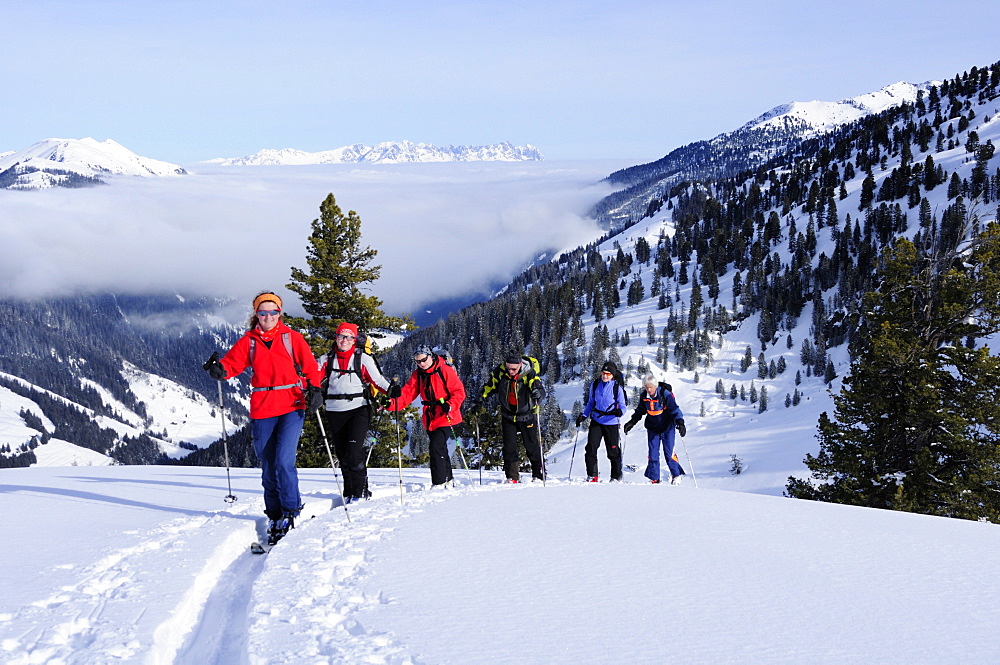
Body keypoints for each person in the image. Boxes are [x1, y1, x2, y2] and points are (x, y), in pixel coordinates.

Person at [204, 291, 323, 545]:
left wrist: (315, 389)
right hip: (262, 407)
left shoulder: (292, 338)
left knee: (283, 461)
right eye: (263, 312)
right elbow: (232, 365)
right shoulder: (249, 341)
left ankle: (291, 510)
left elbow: (311, 366)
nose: (268, 317)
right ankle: (275, 514)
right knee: (268, 464)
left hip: (292, 404)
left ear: (280, 313)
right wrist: (219, 370)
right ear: (256, 314)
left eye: (273, 312)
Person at [318, 322, 400, 503]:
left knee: (354, 452)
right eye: (341, 336)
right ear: (336, 338)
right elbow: (312, 379)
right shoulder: (326, 359)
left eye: (349, 337)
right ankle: (349, 492)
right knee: (342, 454)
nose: (344, 340)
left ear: (354, 340)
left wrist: (391, 391)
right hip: (334, 410)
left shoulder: (362, 358)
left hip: (359, 408)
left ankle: (360, 492)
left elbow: (377, 380)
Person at [388, 345, 466, 487]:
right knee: (440, 448)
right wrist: (391, 404)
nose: (422, 363)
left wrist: (450, 405)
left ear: (431, 356)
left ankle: (439, 483)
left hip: (446, 414)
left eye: (424, 359)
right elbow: (408, 393)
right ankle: (448, 479)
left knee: (435, 446)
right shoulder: (418, 374)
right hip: (430, 417)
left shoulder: (444, 370)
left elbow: (459, 392)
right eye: (418, 361)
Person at [477, 350, 545, 483]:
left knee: (531, 446)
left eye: (513, 369)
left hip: (527, 415)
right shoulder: (501, 372)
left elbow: (539, 389)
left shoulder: (529, 373)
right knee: (509, 447)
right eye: (508, 368)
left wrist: (538, 393)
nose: (510, 371)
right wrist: (480, 400)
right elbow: (490, 386)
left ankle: (538, 474)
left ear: (520, 364)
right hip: (508, 415)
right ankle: (512, 476)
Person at [623, 374, 687, 485]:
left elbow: (675, 409)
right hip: (653, 428)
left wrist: (680, 423)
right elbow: (639, 411)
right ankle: (654, 478)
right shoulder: (644, 396)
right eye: (646, 387)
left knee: (669, 453)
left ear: (655, 386)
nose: (649, 389)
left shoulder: (664, 394)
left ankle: (676, 475)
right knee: (652, 454)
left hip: (667, 427)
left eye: (651, 387)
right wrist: (631, 423)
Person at [575, 361, 628, 482]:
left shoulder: (616, 388)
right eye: (603, 373)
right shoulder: (595, 385)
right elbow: (591, 403)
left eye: (608, 374)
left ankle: (615, 476)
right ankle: (592, 475)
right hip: (597, 420)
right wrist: (583, 416)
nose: (605, 376)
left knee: (613, 450)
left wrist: (620, 412)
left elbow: (623, 405)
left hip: (611, 422)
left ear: (612, 375)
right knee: (591, 448)